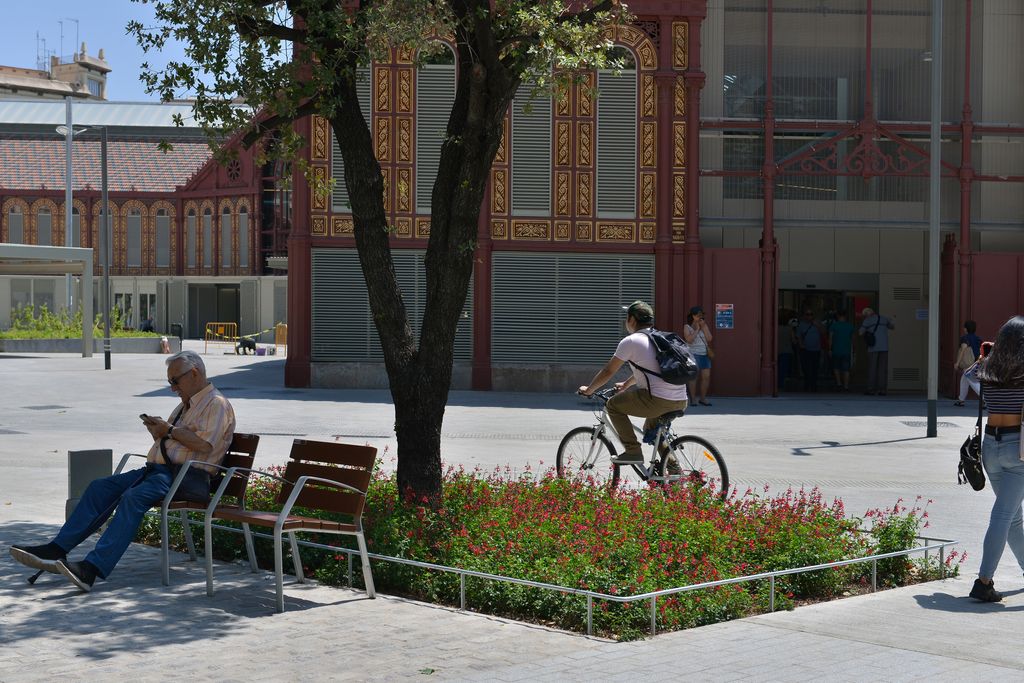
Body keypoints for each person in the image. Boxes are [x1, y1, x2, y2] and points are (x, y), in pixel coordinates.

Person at [9, 350, 236, 592]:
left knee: (133, 498)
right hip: (159, 471)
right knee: (100, 487)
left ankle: (91, 570)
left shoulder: (216, 404)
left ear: (194, 373)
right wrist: (159, 431)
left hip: (184, 477)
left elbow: (204, 445)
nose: (172, 388)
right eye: (170, 382)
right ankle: (56, 549)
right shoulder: (185, 406)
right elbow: (176, 438)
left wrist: (168, 431)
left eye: (175, 381)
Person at [578, 300, 687, 465]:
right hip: (680, 399)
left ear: (632, 320)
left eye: (626, 317)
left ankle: (632, 451)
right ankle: (672, 468)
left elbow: (608, 371)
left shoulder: (631, 341)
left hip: (657, 401)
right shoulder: (659, 339)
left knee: (613, 406)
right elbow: (652, 368)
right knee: (652, 431)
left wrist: (589, 389)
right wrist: (626, 384)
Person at [970, 317, 1024, 602]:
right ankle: (983, 580)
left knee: (1013, 517)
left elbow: (969, 377)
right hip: (1019, 451)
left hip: (991, 446)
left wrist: (984, 356)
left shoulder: (989, 369)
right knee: (1004, 516)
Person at [859, 307, 895, 396]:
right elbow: (892, 327)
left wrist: (867, 329)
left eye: (865, 315)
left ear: (867, 314)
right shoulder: (883, 318)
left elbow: (860, 333)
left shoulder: (867, 321)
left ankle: (871, 389)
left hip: (873, 348)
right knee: (882, 369)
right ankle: (882, 390)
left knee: (872, 368)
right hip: (884, 347)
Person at [682, 306, 713, 406]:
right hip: (692, 354)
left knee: (706, 377)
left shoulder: (704, 325)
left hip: (704, 354)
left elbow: (709, 338)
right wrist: (697, 329)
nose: (700, 317)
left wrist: (703, 327)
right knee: (693, 378)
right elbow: (689, 340)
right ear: (692, 316)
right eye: (697, 315)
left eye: (701, 315)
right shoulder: (687, 327)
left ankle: (703, 398)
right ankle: (693, 399)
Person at [795, 309, 826, 392]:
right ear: (804, 316)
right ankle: (807, 384)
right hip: (805, 350)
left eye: (811, 314)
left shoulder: (818, 323)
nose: (809, 316)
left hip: (816, 350)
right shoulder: (801, 325)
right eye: (807, 314)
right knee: (806, 368)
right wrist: (801, 345)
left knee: (815, 368)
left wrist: (818, 326)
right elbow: (799, 336)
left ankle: (813, 385)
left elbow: (824, 333)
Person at [828, 309, 855, 391]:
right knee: (846, 369)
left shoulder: (834, 326)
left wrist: (829, 349)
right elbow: (853, 339)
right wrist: (854, 350)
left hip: (836, 350)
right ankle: (846, 386)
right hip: (846, 350)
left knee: (836, 367)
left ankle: (839, 383)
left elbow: (830, 338)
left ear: (838, 316)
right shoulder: (850, 326)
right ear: (846, 316)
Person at [777, 311, 797, 392]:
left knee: (777, 367)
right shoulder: (789, 329)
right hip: (786, 350)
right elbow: (793, 340)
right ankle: (781, 384)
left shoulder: (776, 328)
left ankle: (777, 383)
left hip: (777, 350)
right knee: (783, 369)